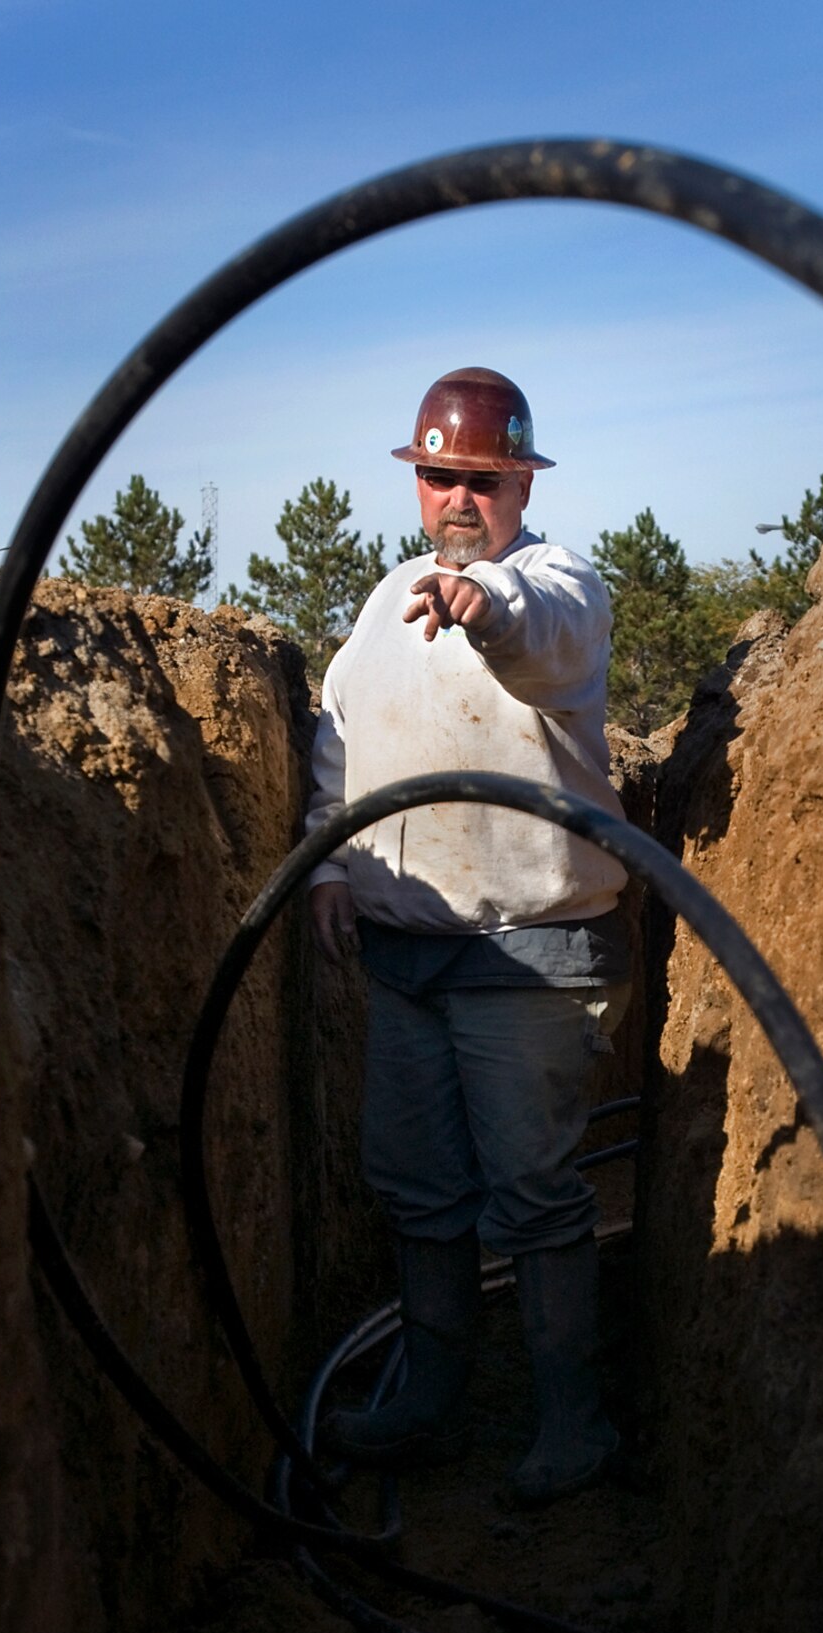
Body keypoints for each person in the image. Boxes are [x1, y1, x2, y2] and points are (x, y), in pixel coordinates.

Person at [305, 366, 631, 1505]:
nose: (456, 498)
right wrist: (333, 859)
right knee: (418, 1184)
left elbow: (548, 644)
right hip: (407, 950)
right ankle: (428, 1399)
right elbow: (340, 739)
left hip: (528, 949)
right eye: (439, 475)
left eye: (480, 480)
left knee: (533, 1189)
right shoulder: (386, 598)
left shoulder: (555, 581)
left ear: (518, 482)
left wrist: (484, 609)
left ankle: (570, 1419)